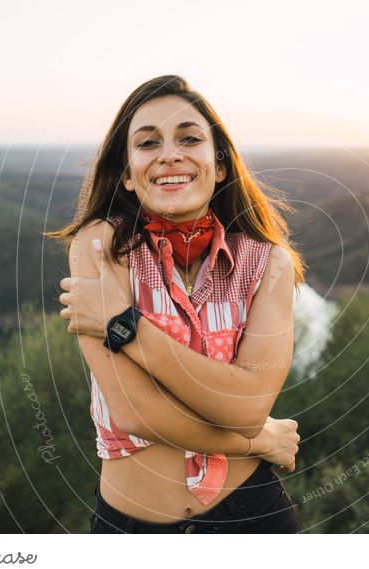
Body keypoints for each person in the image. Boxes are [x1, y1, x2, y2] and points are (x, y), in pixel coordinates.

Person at [48, 75, 306, 534]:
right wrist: (258, 439)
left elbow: (247, 405)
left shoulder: (270, 264)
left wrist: (123, 324)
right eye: (148, 143)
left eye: (190, 138)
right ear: (127, 173)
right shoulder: (100, 247)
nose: (170, 153)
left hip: (254, 517)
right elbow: (133, 411)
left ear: (220, 164)